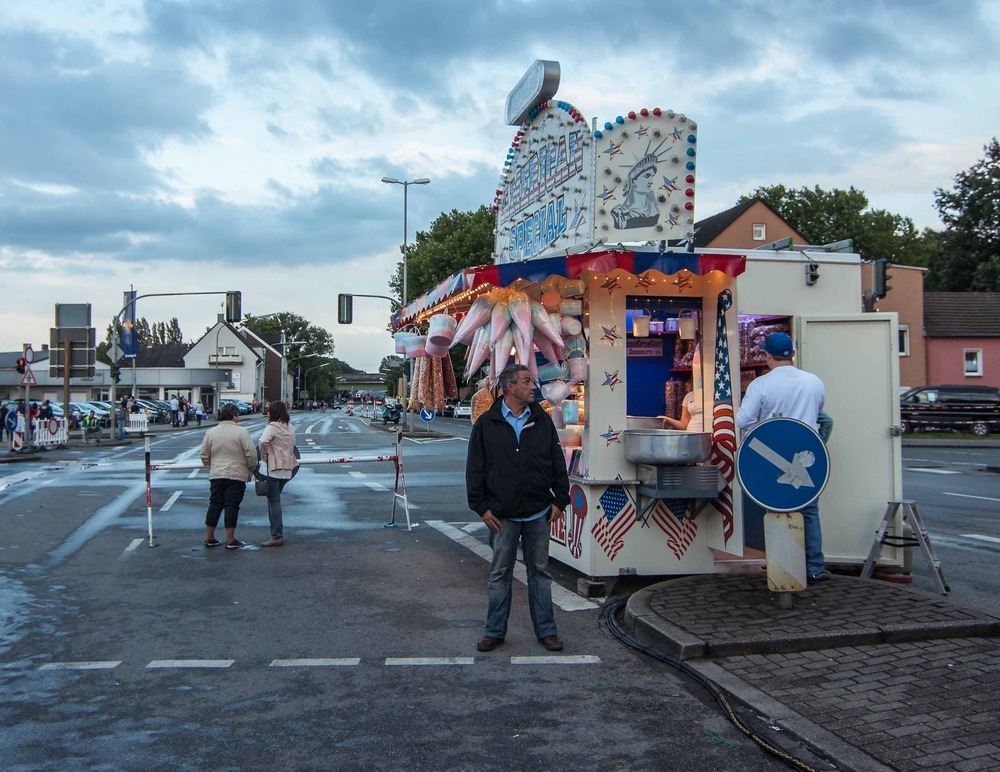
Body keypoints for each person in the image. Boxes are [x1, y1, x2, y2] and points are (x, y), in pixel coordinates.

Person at [466, 363, 570, 653]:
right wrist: (481, 508)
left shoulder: (541, 419)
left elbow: (557, 462)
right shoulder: (487, 423)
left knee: (540, 573)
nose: (533, 386)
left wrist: (560, 499)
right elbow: (475, 469)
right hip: (502, 515)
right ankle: (494, 632)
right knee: (500, 574)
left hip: (537, 511)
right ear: (510, 387)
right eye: (526, 382)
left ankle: (547, 632)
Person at [736, 332, 830, 583]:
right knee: (809, 510)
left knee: (776, 507)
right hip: (805, 452)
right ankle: (814, 566)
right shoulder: (814, 382)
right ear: (793, 353)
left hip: (773, 457)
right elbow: (819, 415)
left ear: (767, 355)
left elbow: (742, 420)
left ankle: (781, 564)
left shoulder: (761, 385)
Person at [200, 402, 256, 549]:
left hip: (217, 473)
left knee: (215, 504)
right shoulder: (242, 432)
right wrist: (251, 468)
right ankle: (230, 539)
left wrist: (211, 466)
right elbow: (251, 454)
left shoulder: (211, 432)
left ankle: (209, 537)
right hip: (236, 474)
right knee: (232, 506)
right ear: (234, 416)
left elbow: (204, 454)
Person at [257, 401, 299, 547]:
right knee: (274, 500)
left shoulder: (272, 427)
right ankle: (275, 533)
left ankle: (276, 535)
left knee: (273, 502)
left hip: (273, 468)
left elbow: (263, 441)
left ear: (273, 413)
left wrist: (264, 455)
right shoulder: (290, 427)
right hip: (287, 468)